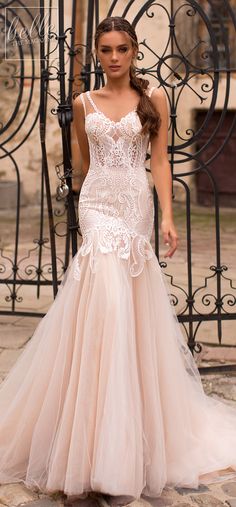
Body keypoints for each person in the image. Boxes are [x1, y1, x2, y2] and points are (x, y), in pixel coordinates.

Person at [0, 14, 236, 507]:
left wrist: (168, 216)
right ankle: (91, 438)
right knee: (104, 301)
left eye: (120, 50)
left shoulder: (154, 100)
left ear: (133, 52)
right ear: (100, 54)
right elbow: (86, 165)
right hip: (99, 207)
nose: (111, 58)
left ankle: (124, 436)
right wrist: (89, 202)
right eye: (104, 50)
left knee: (128, 306)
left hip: (135, 207)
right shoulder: (84, 103)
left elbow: (160, 159)